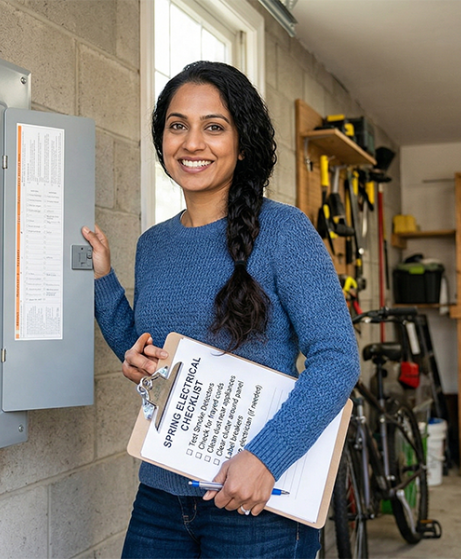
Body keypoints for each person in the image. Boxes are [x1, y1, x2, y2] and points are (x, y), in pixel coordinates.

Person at [82, 60, 359, 559]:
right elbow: (149, 351)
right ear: (162, 140)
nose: (192, 143)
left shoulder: (284, 231)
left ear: (242, 143)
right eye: (177, 126)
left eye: (214, 127)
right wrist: (105, 283)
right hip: (162, 496)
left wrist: (265, 459)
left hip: (257, 503)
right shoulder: (153, 245)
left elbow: (337, 358)